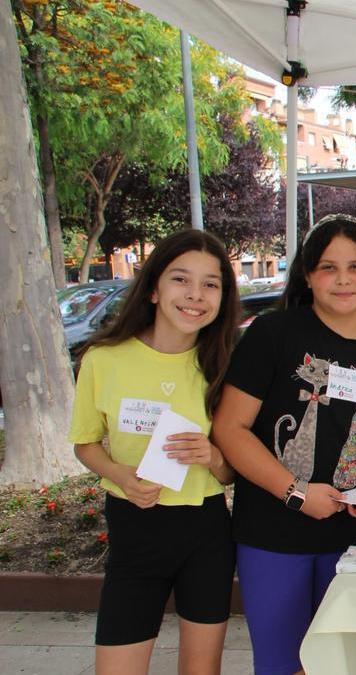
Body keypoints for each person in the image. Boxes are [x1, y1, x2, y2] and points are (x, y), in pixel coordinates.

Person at [213, 216, 356, 675]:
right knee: (283, 663)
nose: (343, 279)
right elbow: (230, 430)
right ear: (307, 275)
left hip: (346, 539)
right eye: (328, 267)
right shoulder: (273, 334)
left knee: (338, 664)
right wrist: (296, 493)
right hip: (272, 536)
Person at [69, 230, 240, 675]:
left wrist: (212, 456)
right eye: (181, 279)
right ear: (153, 288)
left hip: (205, 529)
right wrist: (120, 475)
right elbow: (85, 443)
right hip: (134, 527)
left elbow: (230, 473)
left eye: (211, 284)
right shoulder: (103, 359)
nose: (195, 295)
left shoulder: (225, 365)